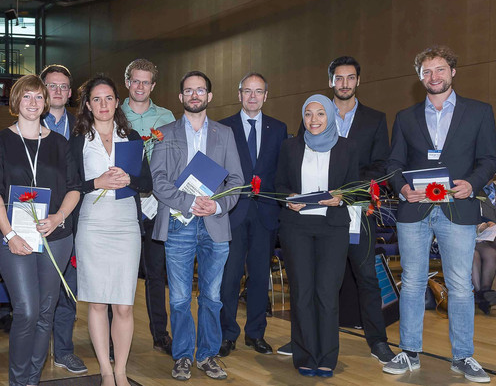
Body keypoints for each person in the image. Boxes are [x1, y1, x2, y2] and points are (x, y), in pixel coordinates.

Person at [384, 45, 496, 383]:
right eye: (427, 72)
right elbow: (394, 163)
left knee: (460, 285)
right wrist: (403, 188)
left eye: (440, 70)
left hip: (458, 209)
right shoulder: (405, 117)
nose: (434, 76)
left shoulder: (479, 112)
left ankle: (463, 356)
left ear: (453, 72)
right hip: (414, 210)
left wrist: (472, 183)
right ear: (420, 78)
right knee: (412, 282)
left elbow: (489, 159)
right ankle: (409, 351)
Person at [0, 74, 80, 386]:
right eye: (26, 96)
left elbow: (74, 189)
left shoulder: (60, 143)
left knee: (46, 312)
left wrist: (58, 217)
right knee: (26, 310)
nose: (33, 102)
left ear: (46, 102)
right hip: (15, 236)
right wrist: (9, 234)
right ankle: (18, 381)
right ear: (16, 101)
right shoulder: (0, 141)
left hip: (56, 237)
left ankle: (32, 380)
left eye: (39, 96)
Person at [150, 70, 242, 381]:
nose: (194, 95)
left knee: (212, 297)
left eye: (200, 90)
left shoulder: (224, 134)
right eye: (189, 90)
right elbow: (158, 180)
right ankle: (182, 356)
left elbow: (236, 180)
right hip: (179, 223)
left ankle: (206, 355)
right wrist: (189, 202)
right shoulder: (165, 133)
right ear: (180, 97)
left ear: (209, 96)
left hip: (215, 222)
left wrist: (217, 204)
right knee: (179, 298)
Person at [302, 56, 395, 364]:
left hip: (357, 209)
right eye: (338, 78)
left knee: (366, 276)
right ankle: (306, 339)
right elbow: (302, 157)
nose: (344, 84)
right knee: (316, 278)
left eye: (350, 77)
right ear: (330, 81)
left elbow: (381, 165)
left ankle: (378, 341)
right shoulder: (314, 114)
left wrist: (346, 188)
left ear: (358, 80)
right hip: (320, 211)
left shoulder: (375, 119)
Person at [69, 75, 152, 386]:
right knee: (97, 302)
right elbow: (70, 185)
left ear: (117, 102)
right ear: (88, 105)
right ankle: (106, 370)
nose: (103, 104)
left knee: (124, 305)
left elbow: (147, 183)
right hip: (92, 225)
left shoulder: (131, 137)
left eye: (108, 98)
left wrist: (129, 179)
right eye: (96, 99)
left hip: (126, 226)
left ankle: (121, 370)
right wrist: (97, 182)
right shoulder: (78, 140)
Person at [275, 94, 358, 378]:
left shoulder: (347, 147)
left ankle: (326, 357)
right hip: (296, 228)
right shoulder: (290, 147)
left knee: (326, 293)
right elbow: (279, 184)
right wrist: (288, 198)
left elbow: (356, 187)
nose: (314, 120)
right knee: (302, 293)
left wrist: (341, 197)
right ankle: (305, 355)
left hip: (333, 228)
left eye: (320, 113)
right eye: (308, 114)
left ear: (330, 116)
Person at [217, 72, 286, 358]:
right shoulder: (223, 127)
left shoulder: (279, 128)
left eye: (258, 91)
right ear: (239, 95)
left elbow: (282, 171)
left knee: (259, 277)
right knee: (230, 277)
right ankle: (227, 334)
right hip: (233, 212)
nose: (253, 96)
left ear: (266, 96)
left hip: (266, 214)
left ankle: (256, 333)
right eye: (248, 91)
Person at [119, 58, 176, 355]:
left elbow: (175, 158)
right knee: (121, 274)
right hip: (123, 202)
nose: (140, 86)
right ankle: (115, 337)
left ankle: (160, 334)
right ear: (127, 82)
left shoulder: (167, 117)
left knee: (156, 273)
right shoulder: (113, 114)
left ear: (153, 86)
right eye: (135, 81)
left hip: (156, 203)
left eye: (146, 82)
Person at [38, 64, 86, 374]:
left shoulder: (83, 127)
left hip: (74, 216)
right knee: (38, 293)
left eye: (63, 86)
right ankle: (34, 352)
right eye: (51, 85)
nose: (57, 91)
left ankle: (63, 351)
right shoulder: (28, 121)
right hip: (37, 217)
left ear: (70, 94)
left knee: (69, 289)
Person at [474, 171, 496, 315]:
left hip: (495, 238)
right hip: (479, 236)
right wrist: (485, 224)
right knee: (487, 253)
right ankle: (484, 295)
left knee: (489, 251)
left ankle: (482, 296)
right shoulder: (472, 190)